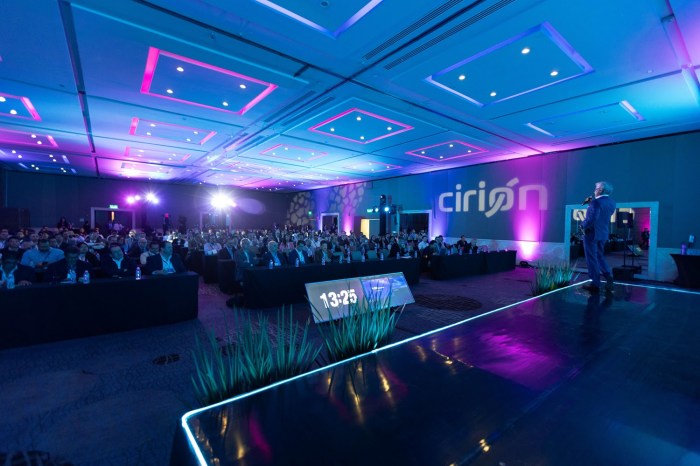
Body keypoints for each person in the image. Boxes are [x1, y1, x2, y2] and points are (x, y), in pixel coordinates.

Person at [580, 181, 617, 293]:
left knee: (591, 258)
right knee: (600, 256)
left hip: (592, 234)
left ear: (600, 190)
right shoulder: (612, 203)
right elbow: (602, 216)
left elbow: (593, 218)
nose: (594, 191)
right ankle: (609, 276)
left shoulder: (595, 202)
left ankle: (595, 283)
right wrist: (590, 205)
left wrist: (582, 225)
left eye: (596, 189)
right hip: (603, 234)